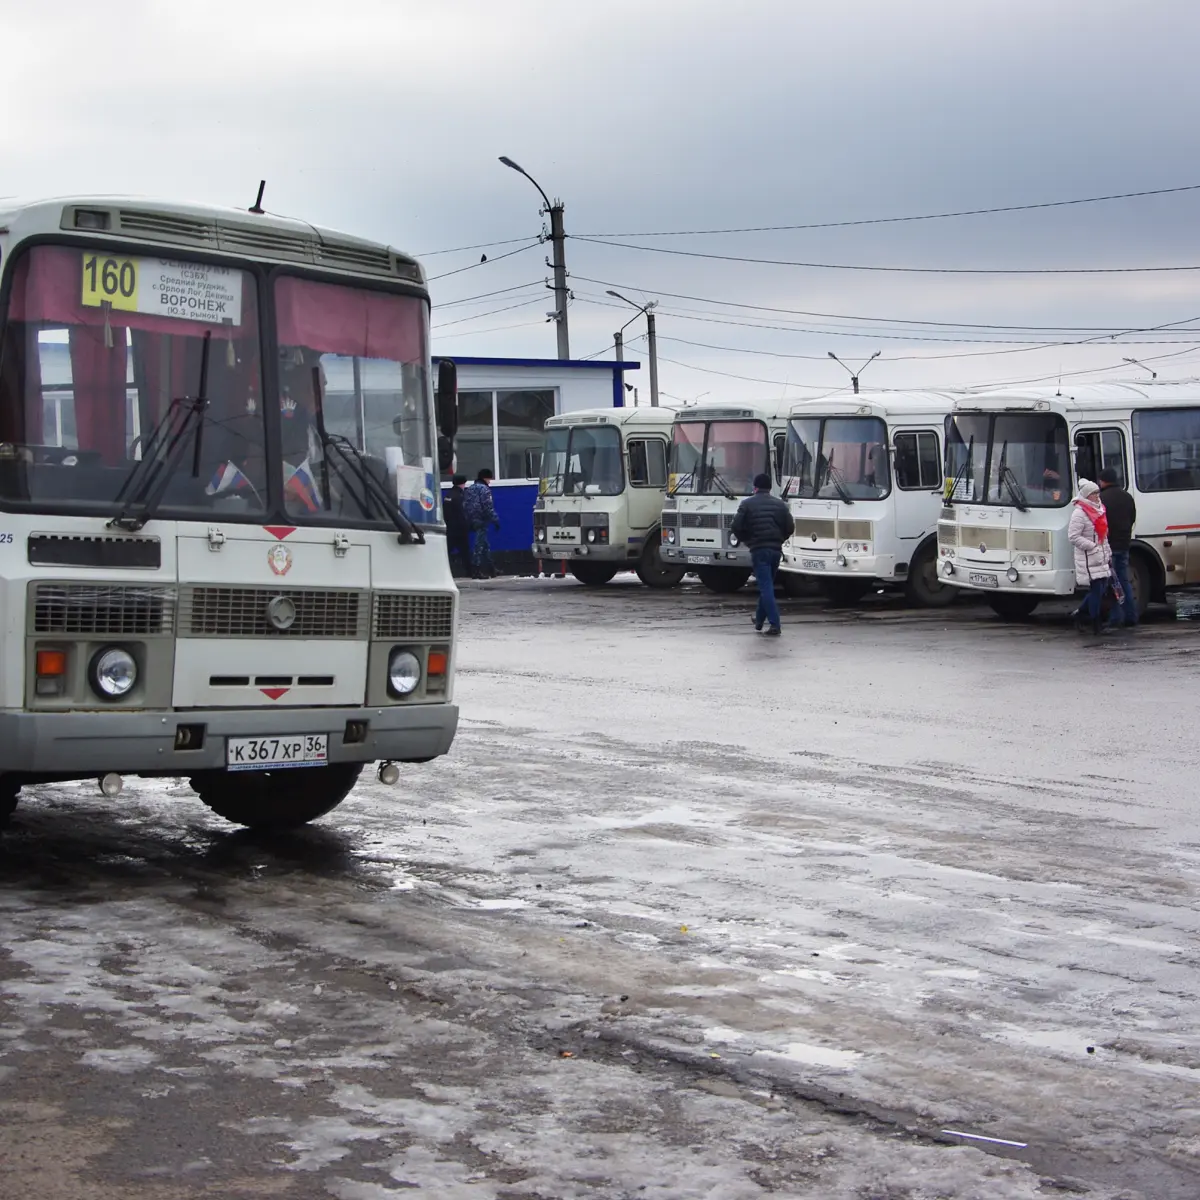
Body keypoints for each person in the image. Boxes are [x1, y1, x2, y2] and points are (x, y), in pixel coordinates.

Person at [731, 472, 795, 637]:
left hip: (759, 550)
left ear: (755, 487)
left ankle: (775, 625)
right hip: (775, 550)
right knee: (766, 585)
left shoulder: (747, 504)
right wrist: (780, 539)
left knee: (766, 587)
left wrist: (747, 540)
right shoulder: (780, 505)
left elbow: (736, 526)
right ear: (769, 487)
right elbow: (790, 527)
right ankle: (759, 622)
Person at [1068, 478, 1113, 634]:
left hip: (1100, 556)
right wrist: (1092, 546)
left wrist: (1107, 553)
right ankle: (1095, 623)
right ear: (1087, 495)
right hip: (1088, 557)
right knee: (1096, 590)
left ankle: (1080, 614)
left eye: (1097, 493)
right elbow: (1073, 536)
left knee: (1100, 589)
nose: (1097, 496)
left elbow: (1103, 535)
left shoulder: (1100, 509)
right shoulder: (1079, 513)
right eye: (1094, 493)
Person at [1098, 467, 1138, 628]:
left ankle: (1117, 618)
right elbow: (1132, 517)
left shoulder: (1101, 499)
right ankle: (1130, 616)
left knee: (1112, 584)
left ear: (1102, 481)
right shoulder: (1127, 497)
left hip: (1109, 546)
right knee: (1123, 581)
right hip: (1124, 544)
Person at [464, 467, 500, 579]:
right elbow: (487, 507)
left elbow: (464, 504)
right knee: (479, 546)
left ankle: (492, 569)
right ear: (485, 478)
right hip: (481, 520)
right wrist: (495, 520)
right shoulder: (484, 489)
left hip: (470, 520)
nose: (490, 481)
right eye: (489, 479)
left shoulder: (470, 489)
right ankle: (476, 570)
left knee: (484, 545)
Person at [443, 474, 471, 576]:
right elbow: (462, 512)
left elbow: (446, 513)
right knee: (465, 551)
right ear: (462, 483)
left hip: (450, 528)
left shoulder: (448, 495)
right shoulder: (460, 496)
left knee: (447, 551)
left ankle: (443, 570)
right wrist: (467, 525)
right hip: (460, 529)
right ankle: (470, 571)